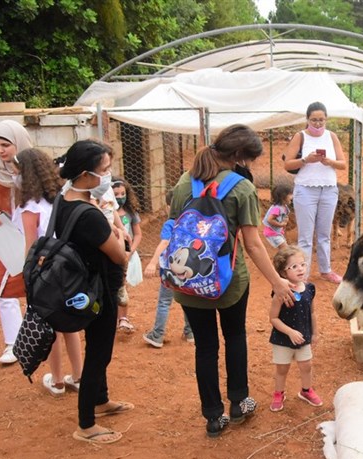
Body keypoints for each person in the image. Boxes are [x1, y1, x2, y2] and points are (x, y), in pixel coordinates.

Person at [169, 124, 295, 438]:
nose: (249, 165)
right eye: (249, 159)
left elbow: (172, 226)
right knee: (235, 337)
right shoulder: (241, 188)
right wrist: (278, 281)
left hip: (189, 280)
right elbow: (252, 244)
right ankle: (238, 403)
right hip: (228, 280)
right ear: (238, 156)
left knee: (205, 347)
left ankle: (213, 417)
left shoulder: (186, 181)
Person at [57, 139, 132, 444]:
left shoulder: (67, 200)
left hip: (86, 287)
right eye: (104, 170)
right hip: (97, 291)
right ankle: (86, 424)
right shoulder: (88, 214)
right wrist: (119, 241)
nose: (108, 176)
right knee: (99, 353)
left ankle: (100, 401)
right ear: (86, 174)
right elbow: (118, 255)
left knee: (99, 348)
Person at [13, 148, 82, 397]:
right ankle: (77, 376)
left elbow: (31, 245)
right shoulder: (60, 198)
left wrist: (27, 276)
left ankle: (57, 380)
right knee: (69, 324)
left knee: (49, 324)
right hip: (66, 268)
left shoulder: (29, 207)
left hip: (44, 271)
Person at [0, 119, 33, 364]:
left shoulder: (33, 164)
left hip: (31, 232)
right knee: (4, 288)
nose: (1, 150)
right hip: (3, 233)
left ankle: (38, 334)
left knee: (35, 284)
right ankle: (13, 342)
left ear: (18, 143)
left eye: (6, 145)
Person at [282, 102, 347, 284]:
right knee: (305, 236)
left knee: (324, 234)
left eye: (321, 120)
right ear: (307, 119)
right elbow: (288, 163)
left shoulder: (331, 136)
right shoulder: (300, 136)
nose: (318, 123)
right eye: (314, 120)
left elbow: (343, 163)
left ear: (326, 119)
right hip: (305, 189)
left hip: (328, 189)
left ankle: (326, 270)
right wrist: (306, 160)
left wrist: (329, 162)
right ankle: (304, 273)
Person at [268, 245, 322, 411]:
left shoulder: (310, 289)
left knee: (307, 365)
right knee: (282, 369)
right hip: (282, 339)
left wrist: (315, 332)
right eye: (294, 266)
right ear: (283, 273)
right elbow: (273, 318)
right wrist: (290, 332)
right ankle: (279, 393)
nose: (301, 269)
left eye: (303, 264)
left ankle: (306, 390)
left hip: (303, 337)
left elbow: (312, 312)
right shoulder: (280, 293)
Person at [142, 190, 193, 348]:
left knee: (164, 301)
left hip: (170, 269)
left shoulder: (170, 223)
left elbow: (165, 243)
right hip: (188, 268)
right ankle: (190, 333)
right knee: (188, 300)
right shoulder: (192, 222)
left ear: (170, 206)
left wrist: (152, 262)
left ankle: (157, 335)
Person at [112, 177, 142, 333]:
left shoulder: (130, 212)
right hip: (111, 254)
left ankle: (123, 318)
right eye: (115, 194)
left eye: (122, 193)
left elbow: (137, 234)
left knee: (122, 287)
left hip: (126, 255)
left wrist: (131, 251)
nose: (119, 197)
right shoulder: (107, 212)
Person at [262, 183, 293, 250]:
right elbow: (270, 219)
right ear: (283, 197)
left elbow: (283, 217)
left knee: (284, 250)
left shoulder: (284, 207)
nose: (292, 196)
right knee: (285, 249)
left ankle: (281, 260)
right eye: (290, 194)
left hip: (277, 232)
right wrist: (280, 224)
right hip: (272, 233)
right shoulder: (277, 208)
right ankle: (282, 260)